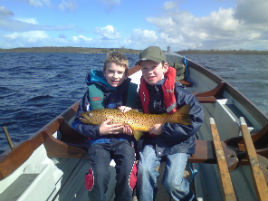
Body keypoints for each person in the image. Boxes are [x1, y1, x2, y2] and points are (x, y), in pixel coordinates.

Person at [136, 46, 203, 201]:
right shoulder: (142, 91)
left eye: (154, 67)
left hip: (179, 141)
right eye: (145, 69)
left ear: (165, 67)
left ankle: (189, 198)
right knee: (143, 170)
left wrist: (164, 129)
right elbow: (139, 112)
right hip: (153, 141)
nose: (149, 72)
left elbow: (195, 120)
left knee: (172, 183)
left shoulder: (180, 92)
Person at [72, 52, 138, 201]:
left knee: (128, 172)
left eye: (120, 72)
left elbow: (139, 119)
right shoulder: (91, 93)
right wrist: (97, 130)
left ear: (126, 74)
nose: (115, 76)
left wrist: (132, 130)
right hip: (98, 142)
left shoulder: (132, 91)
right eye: (111, 71)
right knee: (99, 175)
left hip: (123, 141)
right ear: (104, 72)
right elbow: (77, 123)